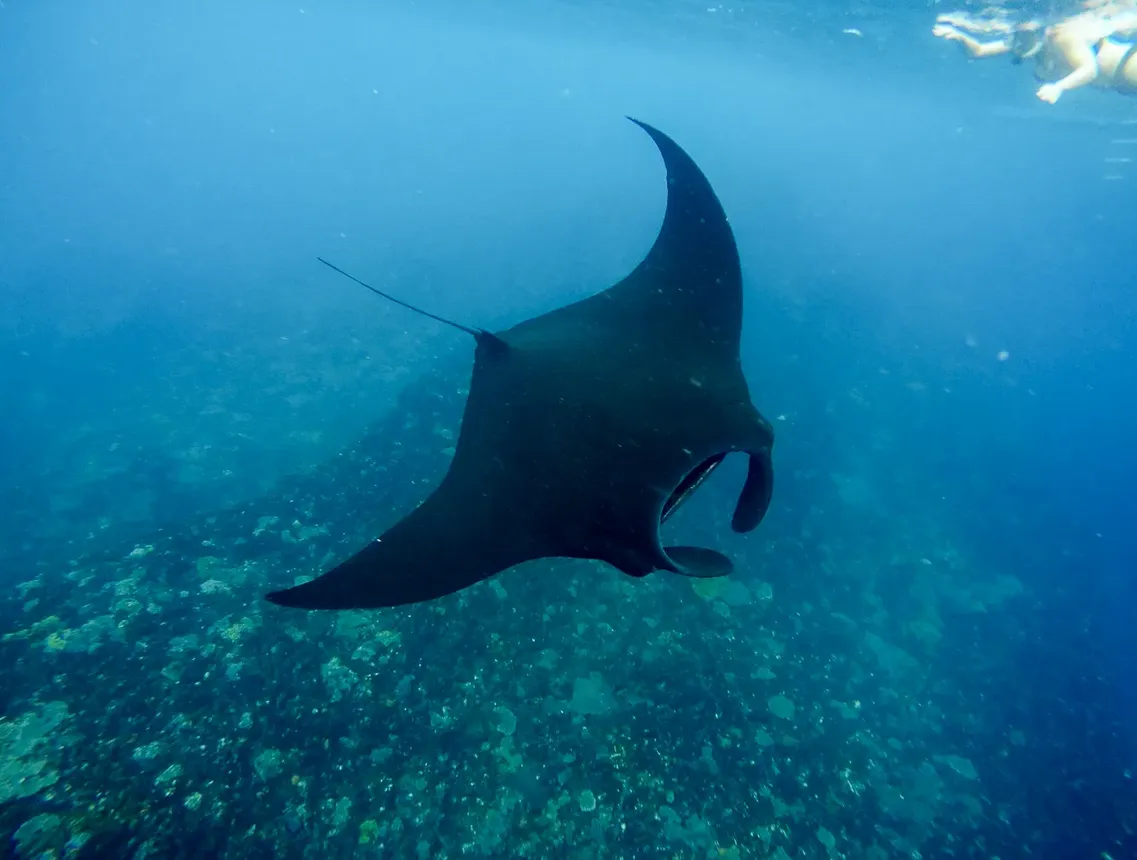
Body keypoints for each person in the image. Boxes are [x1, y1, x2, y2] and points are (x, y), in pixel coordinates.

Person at [933, 3, 1137, 103]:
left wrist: (1059, 87)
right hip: (1120, 83)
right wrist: (959, 35)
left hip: (1127, 66)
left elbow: (1089, 69)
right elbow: (979, 51)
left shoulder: (1061, 35)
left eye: (1024, 36)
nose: (1018, 46)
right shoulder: (1025, 44)